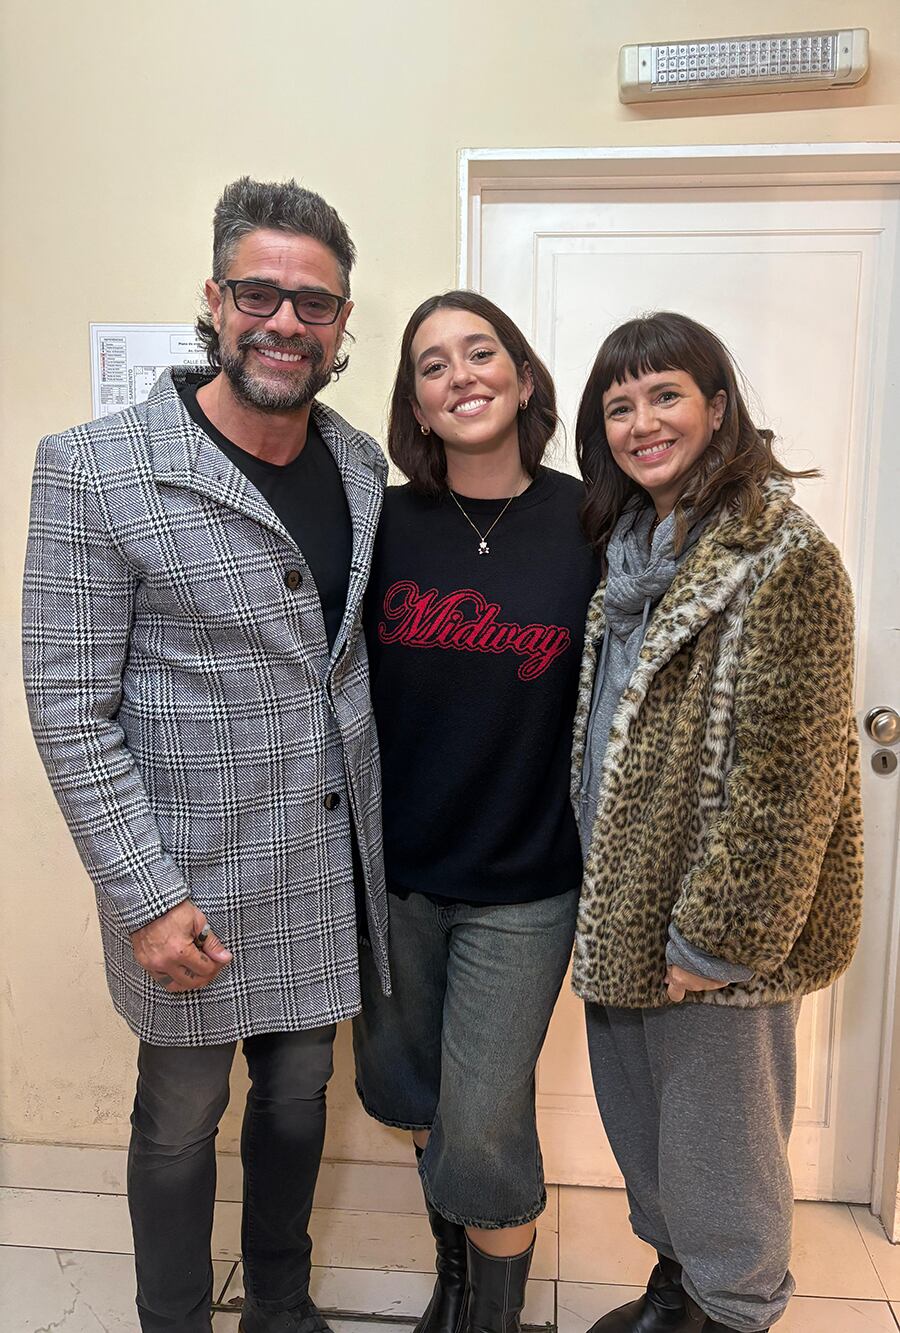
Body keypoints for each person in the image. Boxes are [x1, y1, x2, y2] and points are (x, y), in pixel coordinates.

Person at [22, 177, 390, 1333]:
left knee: (298, 1094)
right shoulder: (96, 468)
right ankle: (173, 1319)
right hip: (190, 884)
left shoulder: (367, 467)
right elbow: (69, 704)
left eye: (314, 302)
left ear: (341, 326)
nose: (285, 321)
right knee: (181, 1115)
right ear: (214, 302)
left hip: (324, 865)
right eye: (259, 292)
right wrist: (143, 892)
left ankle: (278, 1301)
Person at [570, 311, 863, 1333]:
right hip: (623, 906)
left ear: (717, 407)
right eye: (620, 405)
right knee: (648, 1131)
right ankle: (677, 1285)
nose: (643, 421)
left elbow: (789, 780)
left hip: (708, 928)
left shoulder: (782, 557)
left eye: (665, 395)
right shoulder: (632, 552)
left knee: (723, 1153)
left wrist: (717, 938)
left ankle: (730, 1309)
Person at [353, 291, 599, 1333]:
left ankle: (490, 1320)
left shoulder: (594, 517)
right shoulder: (384, 524)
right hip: (393, 877)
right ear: (415, 400)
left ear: (524, 375)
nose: (461, 376)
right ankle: (454, 1289)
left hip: (525, 883)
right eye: (432, 365)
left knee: (487, 1122)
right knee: (416, 1099)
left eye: (480, 352)